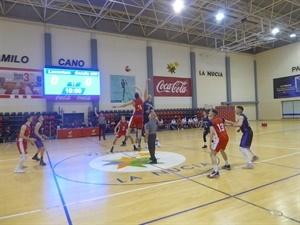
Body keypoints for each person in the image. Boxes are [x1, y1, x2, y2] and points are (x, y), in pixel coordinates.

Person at [207, 109, 231, 178]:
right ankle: (227, 165)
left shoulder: (211, 122)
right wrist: (235, 124)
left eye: (210, 112)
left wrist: (210, 142)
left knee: (212, 154)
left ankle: (216, 172)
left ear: (212, 114)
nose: (209, 113)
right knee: (221, 150)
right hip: (226, 137)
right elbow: (230, 122)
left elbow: (211, 132)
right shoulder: (221, 119)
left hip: (220, 138)